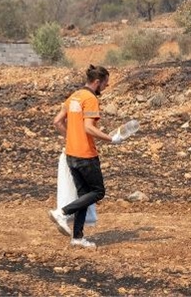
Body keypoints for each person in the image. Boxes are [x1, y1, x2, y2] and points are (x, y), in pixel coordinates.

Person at [49, 65, 123, 247]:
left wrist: (71, 138)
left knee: (83, 194)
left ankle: (78, 237)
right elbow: (89, 127)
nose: (106, 86)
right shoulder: (90, 99)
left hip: (71, 153)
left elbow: (57, 121)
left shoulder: (74, 96)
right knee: (98, 192)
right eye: (105, 83)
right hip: (85, 155)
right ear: (97, 82)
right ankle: (62, 212)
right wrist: (111, 139)